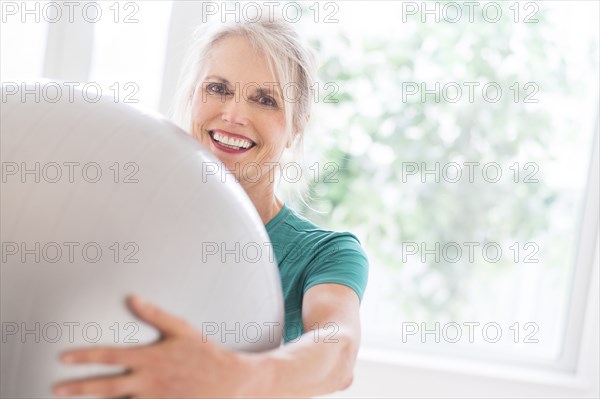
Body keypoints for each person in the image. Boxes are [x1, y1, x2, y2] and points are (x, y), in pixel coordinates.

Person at [53, 14, 368, 398]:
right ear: (192, 97)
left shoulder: (326, 255)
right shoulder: (128, 217)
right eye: (218, 88)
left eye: (265, 100)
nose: (234, 114)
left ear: (295, 128)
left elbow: (338, 352)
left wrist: (232, 377)